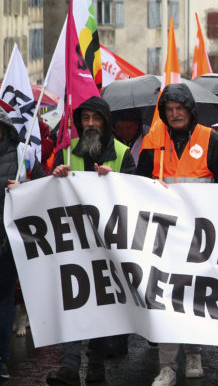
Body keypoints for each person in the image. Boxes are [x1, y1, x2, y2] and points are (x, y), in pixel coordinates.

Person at [136, 83, 218, 386]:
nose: (175, 114)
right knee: (165, 298)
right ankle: (166, 366)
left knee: (196, 295)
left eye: (180, 109)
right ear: (163, 113)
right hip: (163, 234)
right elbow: (138, 184)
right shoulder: (152, 140)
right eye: (169, 110)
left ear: (190, 110)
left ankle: (194, 353)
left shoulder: (212, 139)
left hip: (201, 234)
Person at [47, 96, 135, 386]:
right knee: (71, 302)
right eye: (85, 119)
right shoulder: (66, 153)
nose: (90, 124)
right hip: (71, 243)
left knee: (101, 307)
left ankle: (96, 367)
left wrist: (115, 181)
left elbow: (137, 196)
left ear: (106, 122)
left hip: (107, 245)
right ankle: (70, 367)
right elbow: (47, 193)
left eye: (96, 119)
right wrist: (55, 175)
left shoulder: (122, 154)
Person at [0, 107, 45, 382]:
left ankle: (2, 358)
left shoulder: (23, 154)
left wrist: (25, 189)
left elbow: (45, 188)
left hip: (7, 242)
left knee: (4, 300)